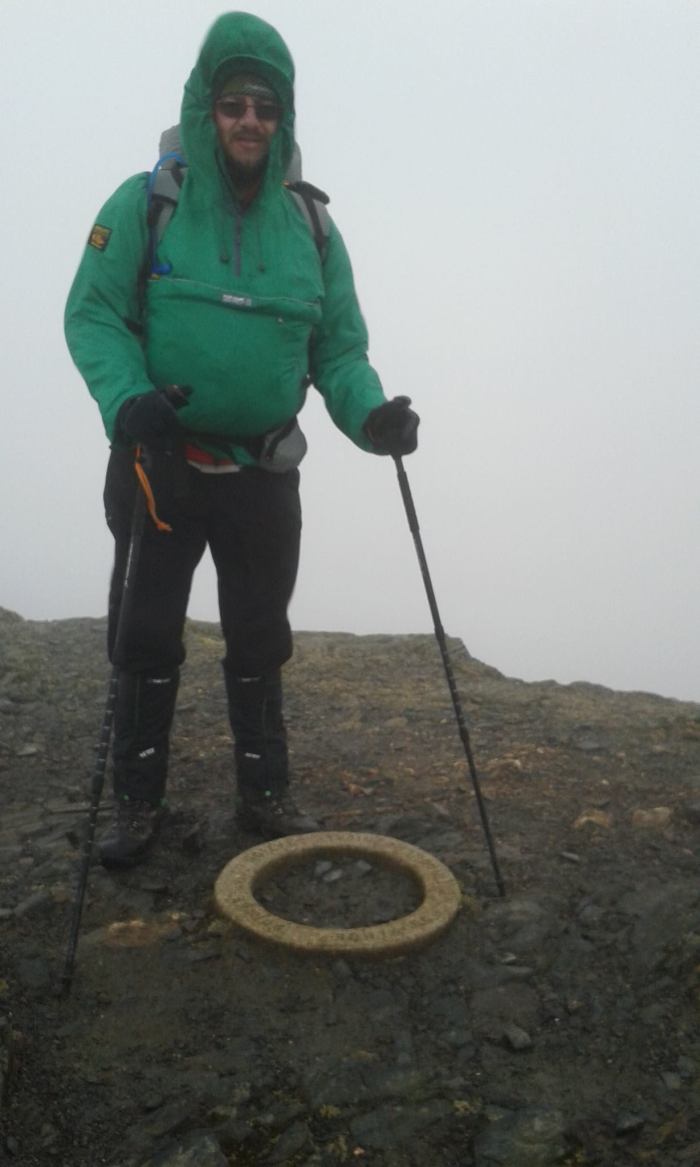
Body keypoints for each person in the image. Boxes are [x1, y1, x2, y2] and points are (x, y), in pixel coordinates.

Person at [64, 11, 419, 868]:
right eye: (233, 102)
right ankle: (137, 808)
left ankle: (264, 796)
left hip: (264, 468)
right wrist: (127, 400)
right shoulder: (147, 201)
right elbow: (94, 313)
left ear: (283, 114)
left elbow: (337, 349)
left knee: (260, 633)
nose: (250, 118)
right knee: (145, 633)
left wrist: (372, 417)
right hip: (159, 460)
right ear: (206, 109)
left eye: (265, 103)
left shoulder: (313, 228)